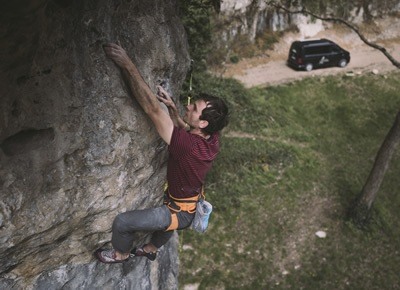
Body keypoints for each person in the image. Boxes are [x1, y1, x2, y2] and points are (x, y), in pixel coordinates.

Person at [95, 43, 229, 263]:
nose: (188, 107)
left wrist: (127, 64)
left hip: (180, 212)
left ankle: (121, 254)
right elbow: (189, 129)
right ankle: (150, 248)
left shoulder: (188, 146)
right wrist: (176, 113)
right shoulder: (212, 138)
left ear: (203, 122)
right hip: (190, 203)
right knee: (171, 223)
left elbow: (152, 109)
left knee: (122, 222)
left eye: (193, 109)